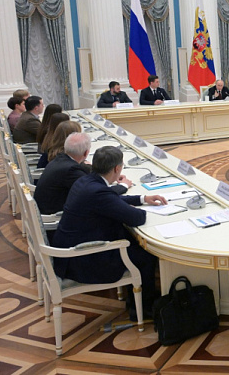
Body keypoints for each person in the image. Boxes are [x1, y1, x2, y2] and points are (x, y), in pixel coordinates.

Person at [51, 146, 167, 319]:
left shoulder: (86, 181)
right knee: (145, 255)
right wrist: (137, 209)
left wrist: (142, 199)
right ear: (117, 168)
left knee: (131, 241)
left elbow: (111, 198)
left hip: (69, 250)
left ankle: (136, 299)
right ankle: (144, 307)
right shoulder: (98, 191)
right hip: (82, 260)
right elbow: (136, 218)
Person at [35, 132, 130, 216]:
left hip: (44, 208)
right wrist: (123, 186)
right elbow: (98, 193)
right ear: (86, 153)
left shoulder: (61, 159)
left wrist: (110, 174)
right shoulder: (71, 171)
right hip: (53, 215)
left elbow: (85, 171)